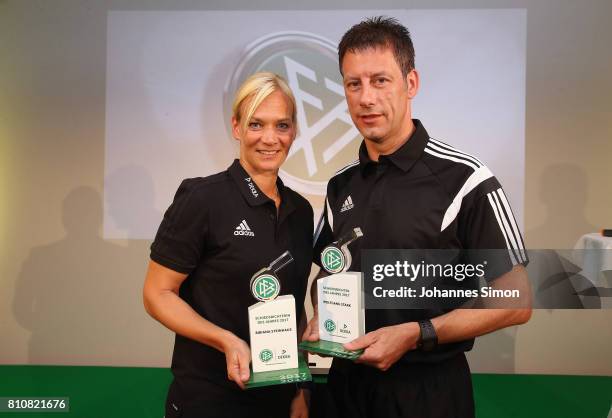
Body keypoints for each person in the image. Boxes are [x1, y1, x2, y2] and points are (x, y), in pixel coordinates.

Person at [302, 17, 532, 418]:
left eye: (380, 81)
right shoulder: (340, 185)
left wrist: (416, 334)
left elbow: (517, 300)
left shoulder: (466, 179)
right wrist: (322, 311)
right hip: (345, 388)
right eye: (353, 84)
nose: (366, 98)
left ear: (411, 84)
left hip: (428, 392)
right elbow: (327, 274)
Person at [143, 72, 313, 418]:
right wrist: (225, 340)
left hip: (277, 400)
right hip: (210, 399)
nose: (270, 138)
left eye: (282, 126)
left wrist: (299, 389)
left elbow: (293, 307)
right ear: (236, 127)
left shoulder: (301, 211)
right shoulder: (202, 198)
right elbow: (156, 294)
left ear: (293, 132)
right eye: (256, 124)